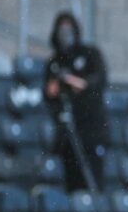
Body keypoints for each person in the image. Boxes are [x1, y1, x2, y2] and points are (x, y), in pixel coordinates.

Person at [43, 12, 108, 192]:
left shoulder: (90, 54)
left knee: (92, 177)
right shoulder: (54, 62)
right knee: (71, 180)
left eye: (69, 29)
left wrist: (77, 82)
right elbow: (48, 92)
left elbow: (100, 80)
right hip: (67, 129)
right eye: (61, 30)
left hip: (91, 129)